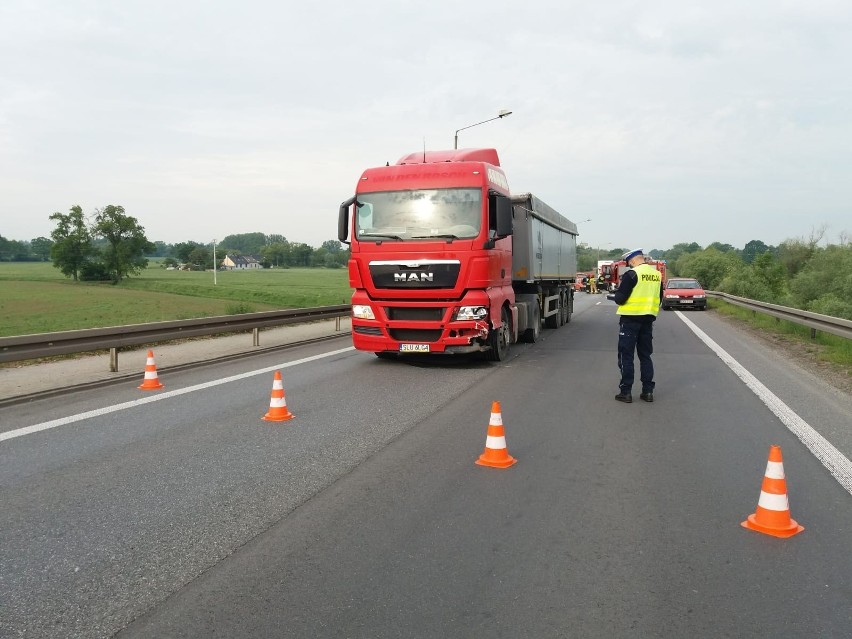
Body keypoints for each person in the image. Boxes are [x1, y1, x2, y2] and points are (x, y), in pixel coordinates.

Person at [608, 248, 663, 403]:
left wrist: (612, 296)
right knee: (645, 355)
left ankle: (625, 392)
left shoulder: (632, 274)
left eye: (629, 262)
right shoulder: (656, 275)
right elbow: (659, 298)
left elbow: (620, 298)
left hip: (630, 320)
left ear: (632, 261)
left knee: (626, 356)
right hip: (648, 320)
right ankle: (648, 392)